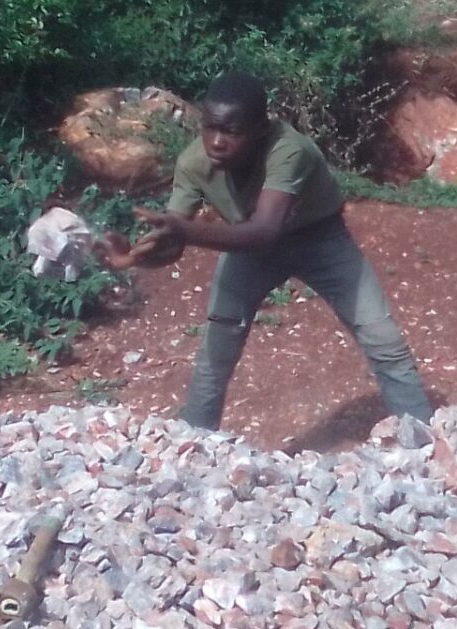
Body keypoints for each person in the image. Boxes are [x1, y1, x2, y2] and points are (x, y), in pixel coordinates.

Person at [95, 71, 434, 431]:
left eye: (231, 131)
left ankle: (425, 439)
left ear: (260, 129)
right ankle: (193, 441)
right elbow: (173, 241)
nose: (216, 141)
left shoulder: (290, 150)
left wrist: (184, 230)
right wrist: (133, 257)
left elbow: (263, 232)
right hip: (246, 249)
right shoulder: (193, 163)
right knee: (217, 351)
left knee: (381, 337)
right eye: (209, 127)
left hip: (319, 240)